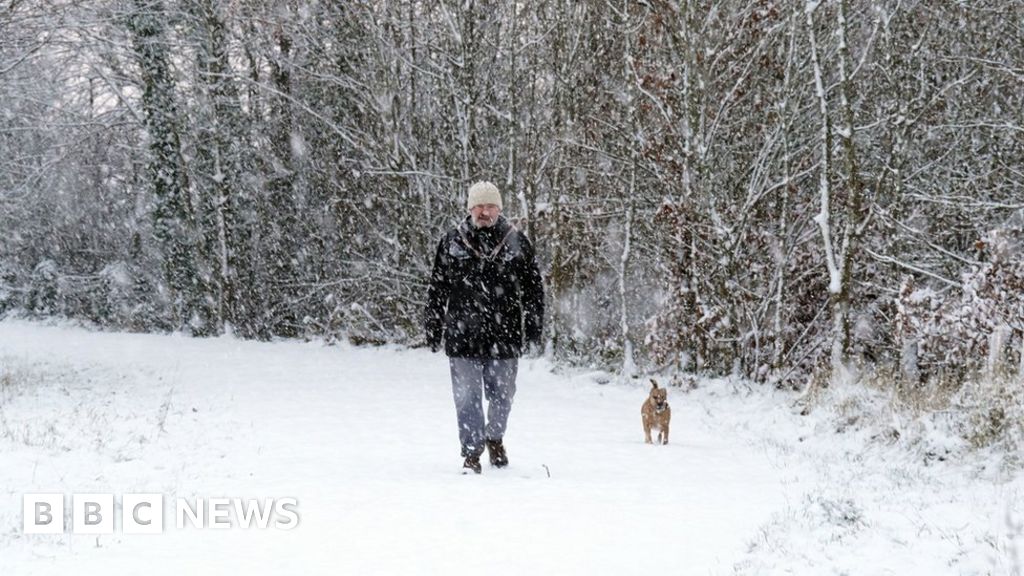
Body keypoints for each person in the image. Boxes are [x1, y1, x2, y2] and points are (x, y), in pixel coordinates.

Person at [425, 181, 545, 474]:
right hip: (462, 334)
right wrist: (433, 323)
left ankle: (495, 437)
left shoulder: (516, 241)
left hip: (504, 336)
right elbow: (438, 287)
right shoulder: (452, 242)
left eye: (490, 206)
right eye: (479, 206)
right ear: (470, 209)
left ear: (499, 209)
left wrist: (533, 325)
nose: (484, 211)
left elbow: (533, 289)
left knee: (503, 395)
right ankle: (471, 452)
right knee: (466, 397)